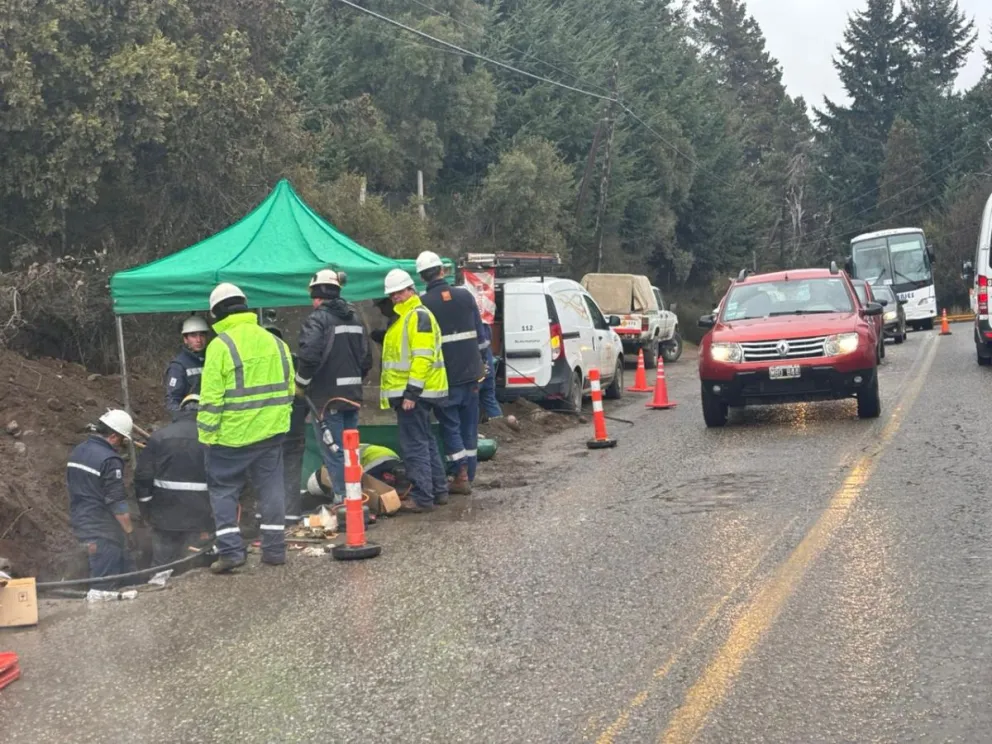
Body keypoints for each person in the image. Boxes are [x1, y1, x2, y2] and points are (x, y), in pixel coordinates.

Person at [198, 282, 295, 573]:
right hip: (271, 433)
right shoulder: (276, 342)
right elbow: (289, 389)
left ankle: (230, 552)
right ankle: (275, 550)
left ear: (217, 314)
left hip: (232, 439)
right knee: (272, 490)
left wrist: (206, 436)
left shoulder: (220, 346)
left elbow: (212, 399)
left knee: (224, 490)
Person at [295, 269, 372, 504]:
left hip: (327, 400)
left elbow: (308, 357)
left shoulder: (318, 320)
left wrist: (300, 384)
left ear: (317, 296)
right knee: (350, 451)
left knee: (335, 451)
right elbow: (366, 359)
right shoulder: (355, 317)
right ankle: (355, 498)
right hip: (352, 397)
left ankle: (344, 502)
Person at [416, 251, 487, 495]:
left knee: (451, 427)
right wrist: (484, 366)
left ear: (422, 277)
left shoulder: (423, 304)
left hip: (446, 379)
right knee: (469, 428)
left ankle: (461, 474)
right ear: (442, 271)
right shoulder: (465, 296)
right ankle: (470, 474)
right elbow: (482, 338)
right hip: (472, 375)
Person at [379, 269, 449, 512]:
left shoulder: (416, 316)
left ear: (410, 289)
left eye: (398, 292)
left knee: (415, 446)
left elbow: (422, 358)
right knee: (426, 441)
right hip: (418, 392)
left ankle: (423, 496)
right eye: (392, 294)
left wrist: (411, 393)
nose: (395, 297)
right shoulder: (409, 316)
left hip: (415, 394)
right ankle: (438, 491)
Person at [134, 395, 213, 568]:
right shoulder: (212, 438)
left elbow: (143, 477)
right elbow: (225, 477)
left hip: (165, 517)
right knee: (195, 563)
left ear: (181, 410)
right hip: (201, 517)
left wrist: (146, 509)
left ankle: (158, 587)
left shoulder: (160, 437)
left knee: (162, 563)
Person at [66, 409, 137, 587]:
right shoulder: (110, 460)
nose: (120, 445)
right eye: (121, 439)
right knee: (104, 585)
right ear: (113, 436)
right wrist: (129, 532)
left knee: (99, 571)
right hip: (102, 529)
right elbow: (117, 502)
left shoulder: (79, 450)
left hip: (81, 520)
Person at [264, 323, 307, 526]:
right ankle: (289, 517)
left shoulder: (255, 365)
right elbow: (305, 395)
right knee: (289, 473)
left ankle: (270, 520)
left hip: (269, 430)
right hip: (291, 427)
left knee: (268, 474)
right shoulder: (294, 361)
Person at [164, 316, 210, 416]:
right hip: (191, 420)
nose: (199, 340)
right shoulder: (178, 366)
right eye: (193, 335)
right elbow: (172, 402)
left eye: (202, 335)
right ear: (185, 339)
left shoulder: (214, 359)